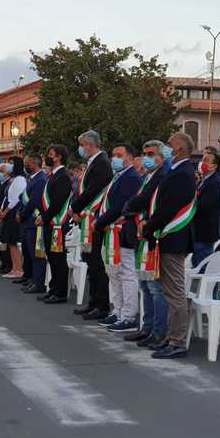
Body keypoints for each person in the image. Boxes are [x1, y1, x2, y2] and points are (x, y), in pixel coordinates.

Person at [141, 132, 197, 359]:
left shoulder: (183, 173)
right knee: (168, 290)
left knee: (175, 293)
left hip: (174, 238)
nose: (166, 148)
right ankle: (171, 338)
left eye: (170, 145)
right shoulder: (177, 171)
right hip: (167, 237)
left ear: (180, 149)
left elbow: (169, 207)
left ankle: (178, 341)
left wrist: (149, 225)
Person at [123, 140, 171, 348]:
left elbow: (142, 200)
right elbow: (135, 199)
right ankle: (147, 327)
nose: (147, 157)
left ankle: (158, 331)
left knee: (155, 287)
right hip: (140, 235)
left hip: (153, 236)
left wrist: (131, 206)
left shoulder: (162, 175)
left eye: (151, 153)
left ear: (162, 156)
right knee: (144, 283)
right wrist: (130, 207)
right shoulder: (147, 175)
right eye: (145, 153)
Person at [93, 144, 141, 332]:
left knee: (126, 274)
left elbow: (121, 205)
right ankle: (118, 311)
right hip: (110, 231)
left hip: (122, 231)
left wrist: (100, 221)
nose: (115, 158)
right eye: (113, 155)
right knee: (113, 273)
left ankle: (128, 316)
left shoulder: (131, 177)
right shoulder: (119, 175)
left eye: (119, 155)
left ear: (129, 157)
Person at [72, 130, 113, 319]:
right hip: (87, 216)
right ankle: (93, 301)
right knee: (90, 262)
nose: (81, 148)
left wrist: (75, 207)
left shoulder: (102, 163)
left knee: (97, 264)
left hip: (94, 217)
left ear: (90, 144)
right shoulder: (93, 163)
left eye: (82, 144)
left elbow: (93, 190)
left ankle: (102, 305)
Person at [35, 145, 72, 303]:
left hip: (57, 223)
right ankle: (53, 288)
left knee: (58, 259)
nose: (48, 158)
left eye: (50, 155)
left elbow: (57, 202)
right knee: (52, 257)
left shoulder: (63, 176)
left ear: (59, 157)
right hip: (50, 222)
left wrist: (44, 216)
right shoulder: (53, 175)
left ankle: (60, 292)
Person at [18, 155, 48, 294]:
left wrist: (23, 214)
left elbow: (34, 202)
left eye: (27, 163)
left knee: (36, 255)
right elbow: (22, 198)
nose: (25, 165)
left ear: (35, 163)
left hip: (34, 221)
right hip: (27, 222)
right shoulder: (32, 179)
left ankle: (38, 283)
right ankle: (30, 278)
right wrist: (20, 212)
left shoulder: (41, 179)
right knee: (28, 253)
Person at [192, 150, 220, 266]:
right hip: (197, 231)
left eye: (206, 160)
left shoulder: (215, 183)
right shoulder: (203, 181)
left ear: (214, 166)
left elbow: (203, 206)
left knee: (202, 266)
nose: (202, 163)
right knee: (196, 264)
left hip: (205, 232)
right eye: (202, 159)